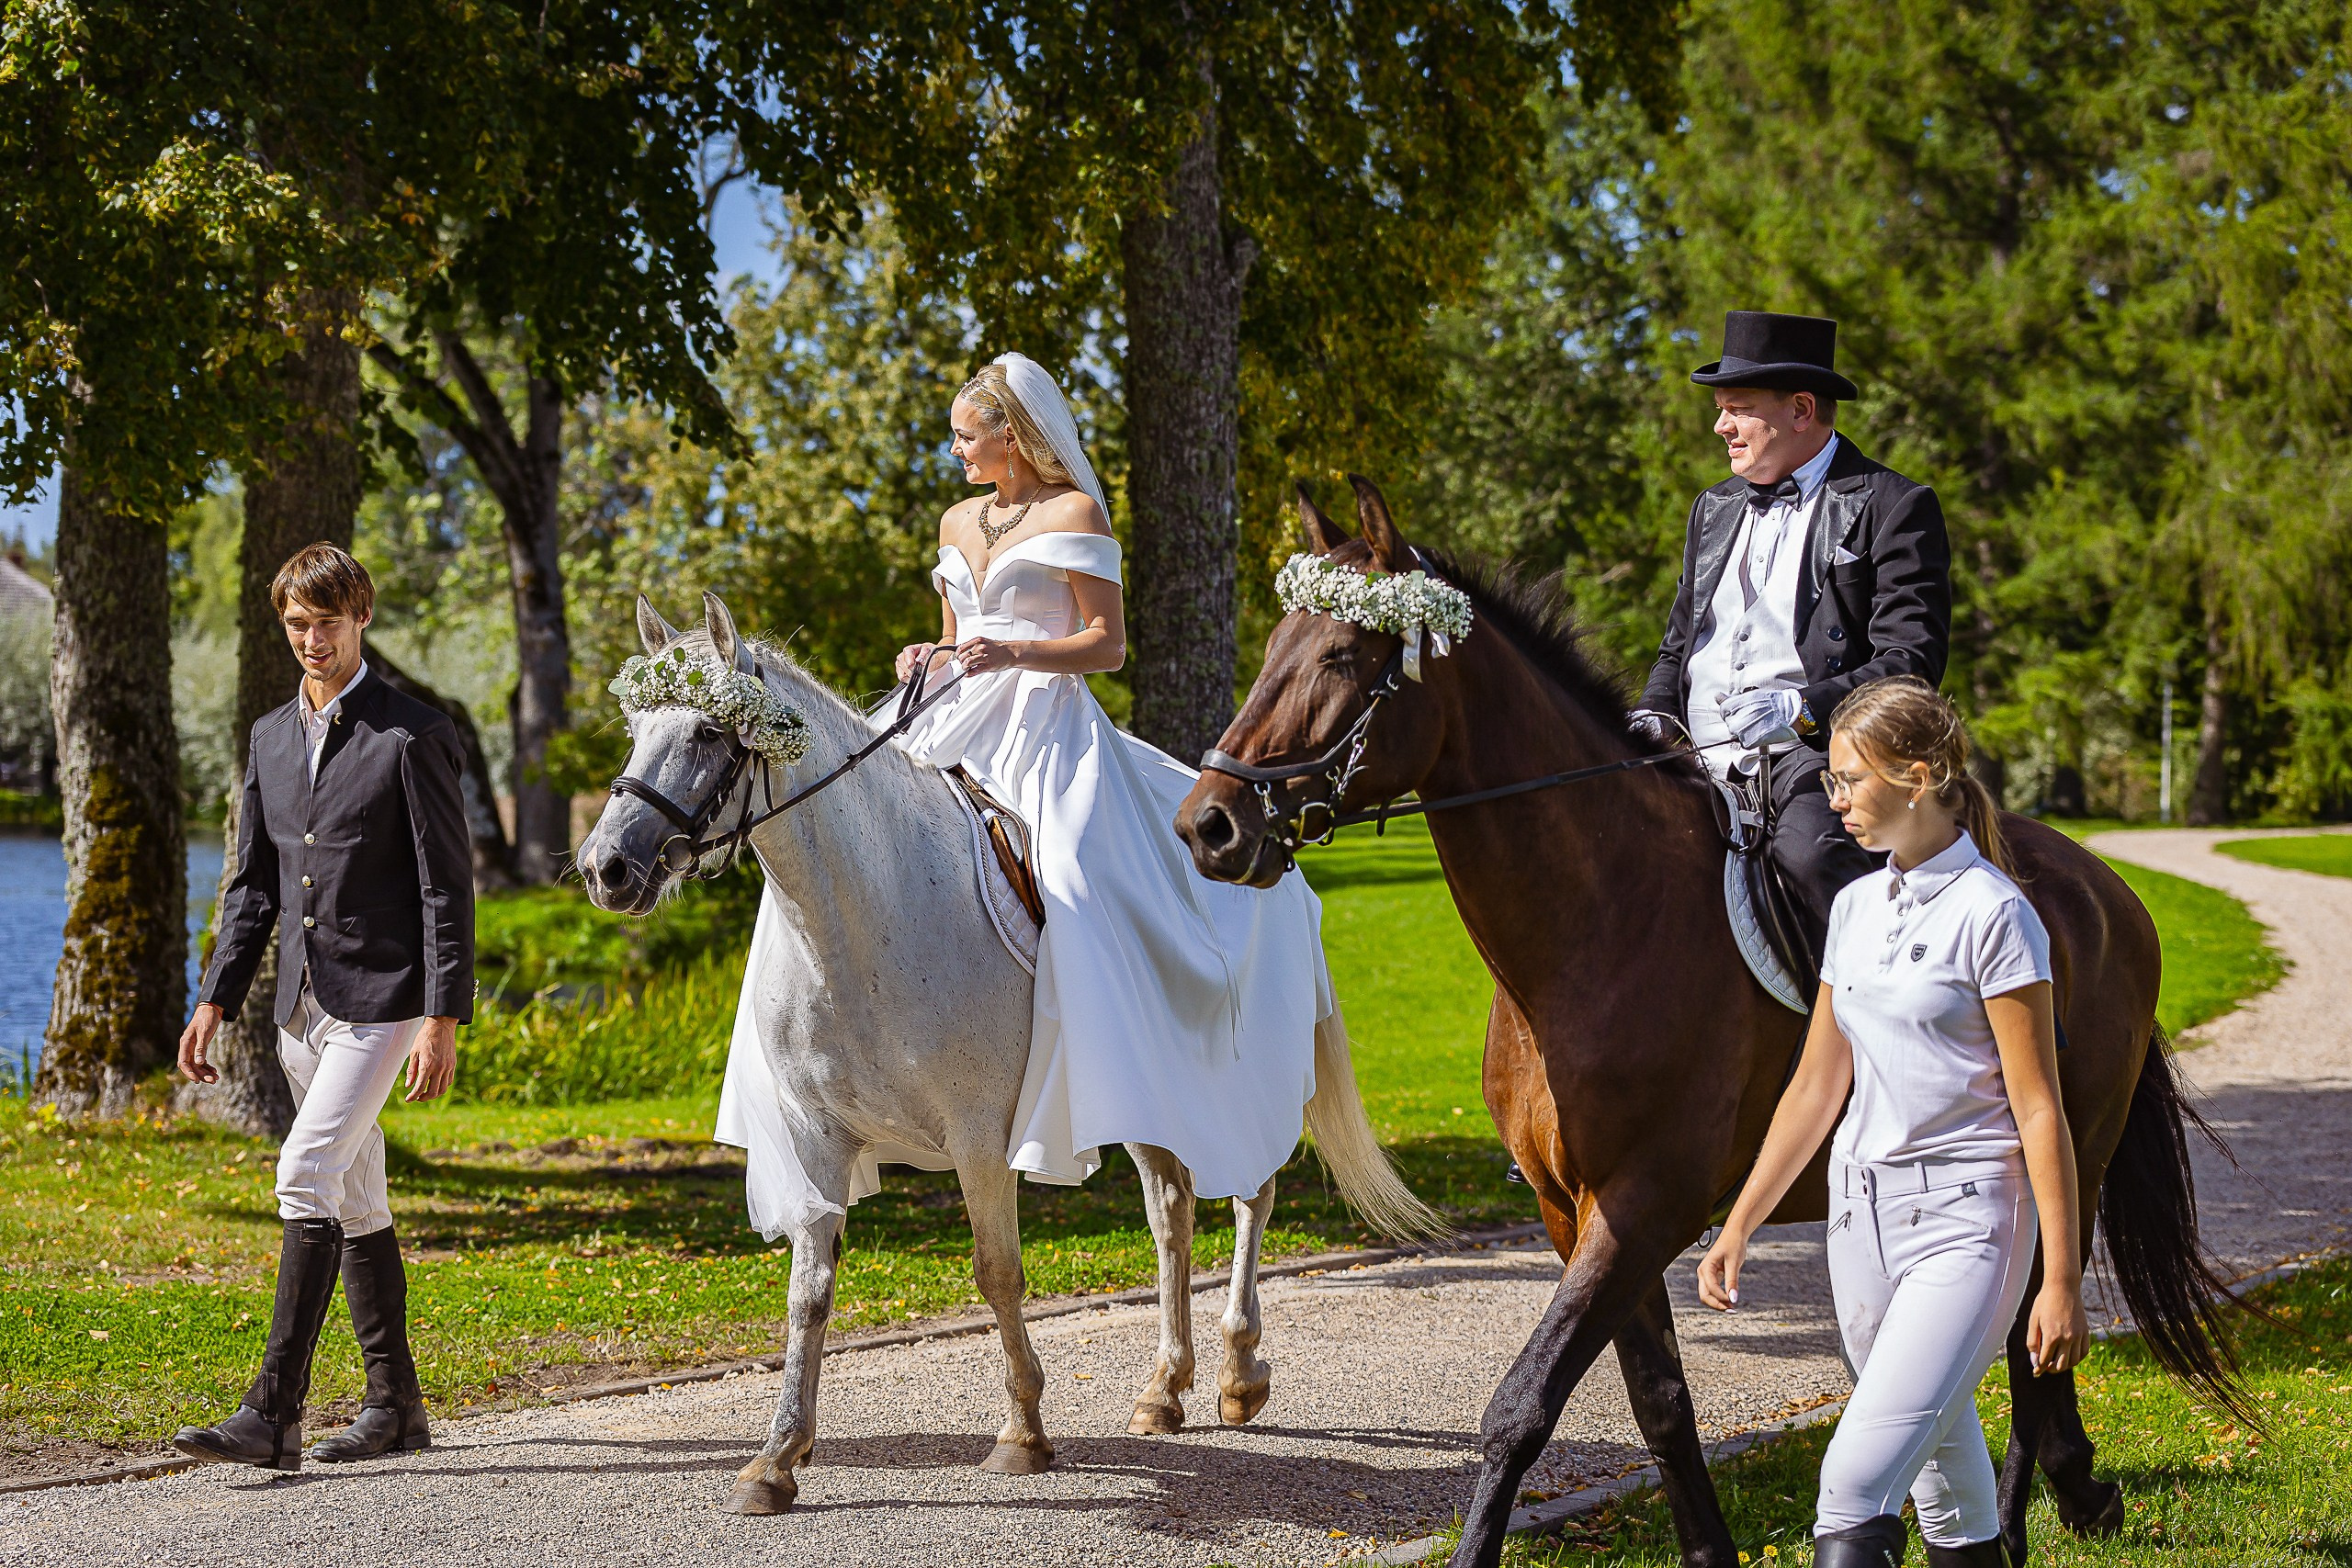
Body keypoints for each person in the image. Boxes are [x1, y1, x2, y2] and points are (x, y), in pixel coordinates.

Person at [714, 353, 1332, 1232]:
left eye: (968, 435)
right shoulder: (957, 518)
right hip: (951, 710)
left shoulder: (1075, 512)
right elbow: (953, 632)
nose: (956, 449)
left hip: (1047, 721)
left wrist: (1016, 653)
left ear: (1014, 434)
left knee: (1075, 874)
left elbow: (1106, 644)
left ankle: (1106, 1051)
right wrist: (925, 657)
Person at [1696, 675, 2088, 1568]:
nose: (1832, 799)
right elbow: (1815, 1082)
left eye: (1848, 779)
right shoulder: (1857, 906)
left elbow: (2039, 1106)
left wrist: (2059, 1277)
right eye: (1829, 780)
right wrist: (1741, 1221)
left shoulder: (1994, 915)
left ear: (1917, 776)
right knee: (1944, 1488)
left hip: (1968, 1225)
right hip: (1857, 1221)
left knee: (1851, 1485)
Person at [174, 544, 475, 1472]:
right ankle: (395, 1407)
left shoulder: (409, 733)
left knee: (303, 1176)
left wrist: (441, 1015)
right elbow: (252, 886)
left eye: (327, 623)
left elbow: (445, 888)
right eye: (297, 625)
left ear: (361, 619)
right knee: (355, 1199)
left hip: (382, 1002)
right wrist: (217, 997)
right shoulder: (268, 738)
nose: (311, 640)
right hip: (300, 1006)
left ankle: (273, 1413)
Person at [1634, 310, 1952, 957]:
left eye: (1738, 409)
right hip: (1693, 755)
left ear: (1801, 408)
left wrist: (1803, 710)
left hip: (1818, 759)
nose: (1721, 425)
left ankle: (1877, 1034)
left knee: (1808, 854)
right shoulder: (1713, 507)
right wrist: (1650, 711)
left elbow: (1911, 661)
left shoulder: (1893, 505)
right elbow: (1680, 645)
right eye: (1722, 409)